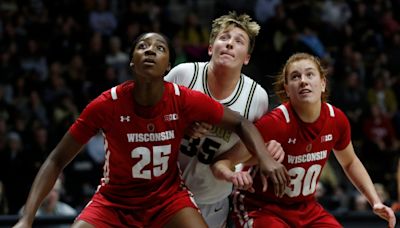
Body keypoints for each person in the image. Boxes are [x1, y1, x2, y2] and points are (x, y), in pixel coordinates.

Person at [13, 32, 288, 228]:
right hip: (114, 201)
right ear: (131, 60)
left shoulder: (182, 97)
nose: (150, 50)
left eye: (159, 47)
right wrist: (27, 219)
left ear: (167, 65)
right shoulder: (106, 104)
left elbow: (242, 122)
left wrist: (263, 157)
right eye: (143, 46)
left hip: (167, 199)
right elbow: (57, 159)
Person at [212, 52, 396, 227]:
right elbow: (224, 161)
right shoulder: (275, 123)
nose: (303, 81)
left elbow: (349, 162)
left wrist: (375, 201)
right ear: (287, 89)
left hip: (306, 207)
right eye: (295, 77)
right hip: (260, 206)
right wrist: (247, 167)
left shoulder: (336, 119)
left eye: (310, 75)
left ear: (323, 83)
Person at [165, 11, 285, 228]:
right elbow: (149, 124)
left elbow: (243, 154)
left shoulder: (256, 97)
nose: (230, 44)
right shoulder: (183, 75)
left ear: (247, 57)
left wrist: (263, 153)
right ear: (211, 48)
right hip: (165, 192)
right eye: (224, 38)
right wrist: (182, 127)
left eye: (239, 41)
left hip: (212, 198)